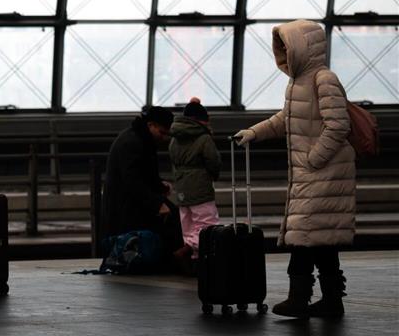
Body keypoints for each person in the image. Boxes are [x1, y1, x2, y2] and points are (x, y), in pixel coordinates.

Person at [234, 19, 355, 319]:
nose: (283, 55)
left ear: (304, 47)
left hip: (322, 174)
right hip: (310, 174)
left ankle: (298, 298)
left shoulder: (323, 79)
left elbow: (338, 125)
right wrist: (253, 132)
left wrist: (313, 159)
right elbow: (283, 120)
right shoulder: (298, 82)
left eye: (287, 48)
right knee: (320, 240)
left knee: (303, 238)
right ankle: (330, 301)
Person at [101, 105, 187, 269]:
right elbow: (132, 180)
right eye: (162, 132)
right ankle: (175, 260)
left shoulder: (139, 139)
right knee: (172, 219)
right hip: (126, 205)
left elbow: (141, 174)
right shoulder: (133, 143)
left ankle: (172, 258)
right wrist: (157, 203)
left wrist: (160, 186)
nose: (163, 138)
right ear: (150, 125)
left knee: (174, 216)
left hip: (132, 201)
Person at [168, 97, 221, 260]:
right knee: (207, 224)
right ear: (202, 121)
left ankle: (193, 261)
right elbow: (213, 161)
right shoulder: (203, 138)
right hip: (200, 186)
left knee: (188, 226)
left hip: (181, 187)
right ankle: (189, 250)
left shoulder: (174, 139)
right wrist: (212, 175)